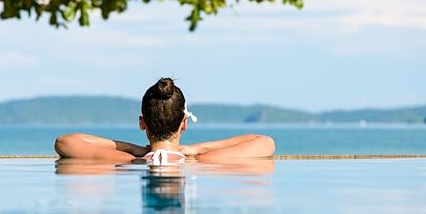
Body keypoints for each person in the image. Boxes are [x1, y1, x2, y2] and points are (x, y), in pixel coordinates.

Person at [54, 78, 275, 164]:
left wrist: (133, 149)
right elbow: (264, 142)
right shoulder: (204, 160)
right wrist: (197, 149)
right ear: (184, 124)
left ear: (142, 123)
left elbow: (65, 142)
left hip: (140, 155)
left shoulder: (127, 161)